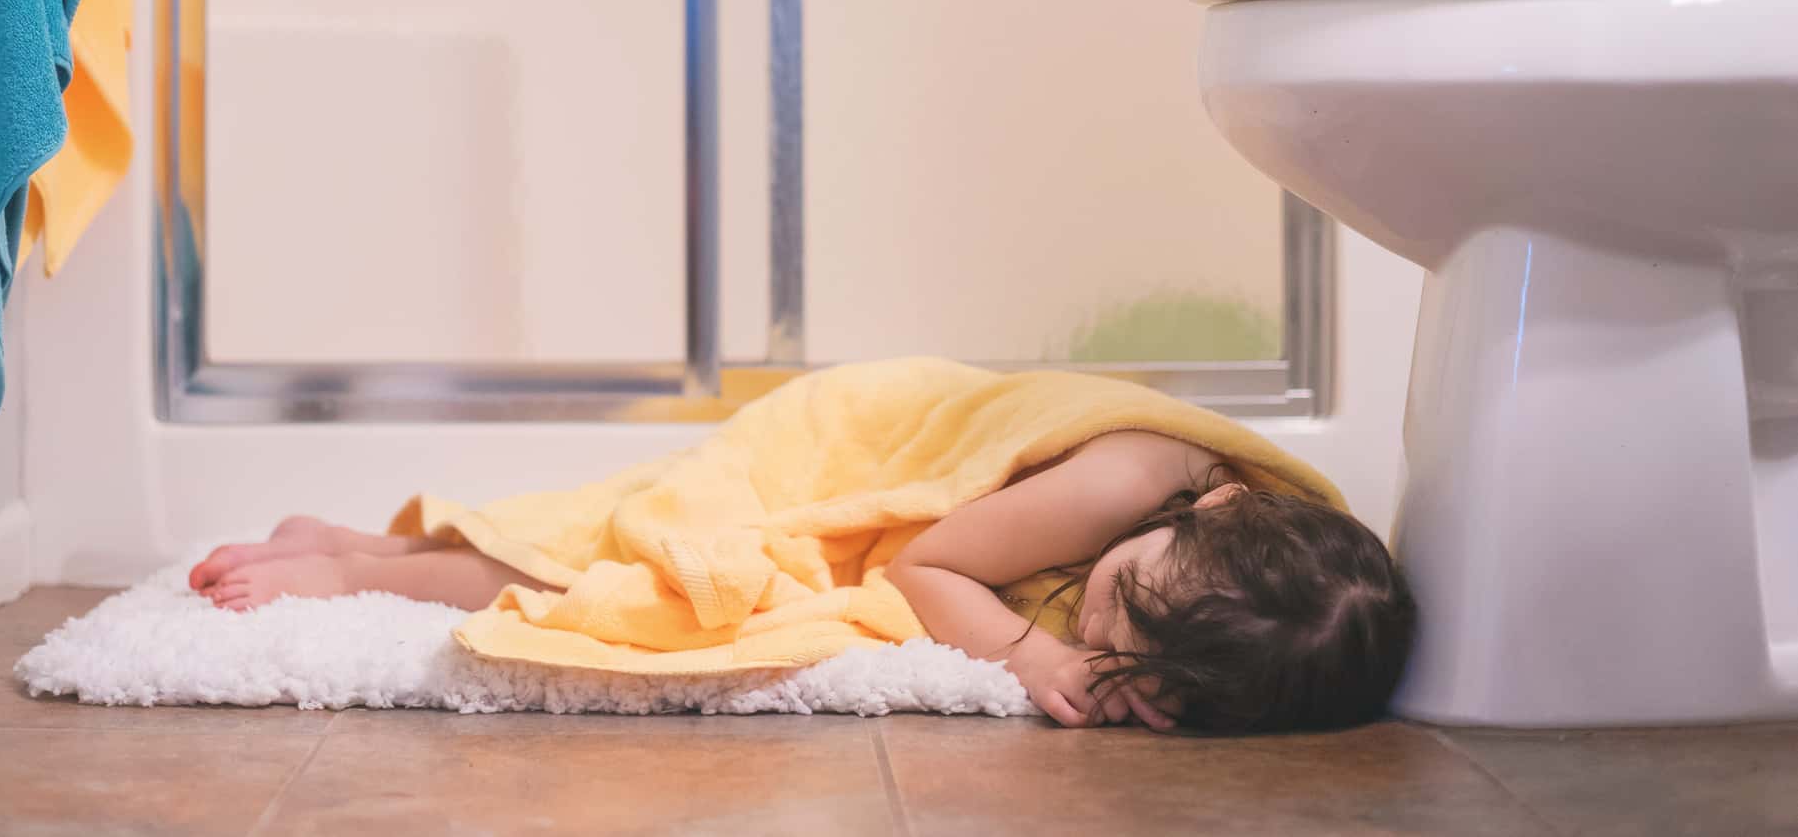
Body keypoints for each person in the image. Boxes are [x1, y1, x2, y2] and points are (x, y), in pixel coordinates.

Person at [187, 409, 1414, 734]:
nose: (1099, 623)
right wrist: (1027, 648)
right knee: (649, 567)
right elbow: (930, 564)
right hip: (857, 447)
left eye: (1141, 667)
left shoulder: (1248, 576)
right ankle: (353, 576)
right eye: (1124, 595)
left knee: (598, 520)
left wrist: (1177, 682)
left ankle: (363, 541)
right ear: (1220, 502)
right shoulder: (1124, 482)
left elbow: (1181, 638)